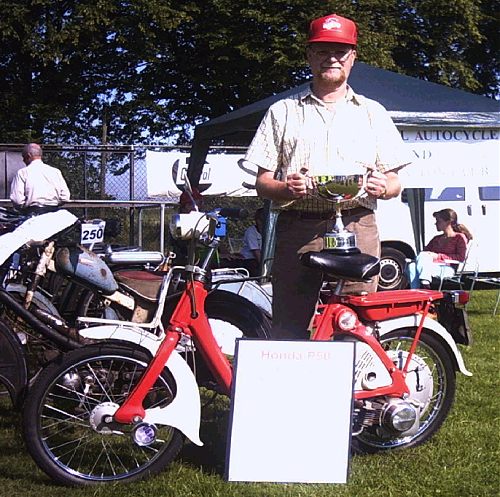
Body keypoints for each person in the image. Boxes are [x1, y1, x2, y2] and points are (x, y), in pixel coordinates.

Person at [245, 13, 412, 339]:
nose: (331, 57)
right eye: (322, 50)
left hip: (358, 223)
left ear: (353, 57)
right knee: (289, 324)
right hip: (298, 226)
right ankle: (294, 387)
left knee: (358, 321)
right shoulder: (283, 111)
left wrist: (384, 186)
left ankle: (359, 388)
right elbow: (262, 182)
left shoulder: (372, 112)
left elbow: (395, 181)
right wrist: (284, 187)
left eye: (340, 50)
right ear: (309, 55)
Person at [406, 208, 473, 289]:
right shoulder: (436, 239)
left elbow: (461, 257)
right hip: (430, 266)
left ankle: (425, 284)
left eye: (438, 221)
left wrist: (438, 256)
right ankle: (419, 291)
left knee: (417, 264)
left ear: (448, 222)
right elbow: (424, 254)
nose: (435, 223)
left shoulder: (459, 238)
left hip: (447, 268)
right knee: (412, 266)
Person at [10, 143, 70, 214]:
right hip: (54, 214)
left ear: (29, 155)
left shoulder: (22, 173)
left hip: (32, 213)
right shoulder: (55, 172)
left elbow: (17, 199)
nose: (23, 160)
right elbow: (65, 196)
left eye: (24, 157)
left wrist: (24, 208)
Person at [236, 208, 265, 276]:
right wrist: (266, 267)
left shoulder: (271, 232)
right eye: (262, 220)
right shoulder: (251, 232)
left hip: (265, 259)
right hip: (249, 260)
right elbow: (256, 253)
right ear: (258, 221)